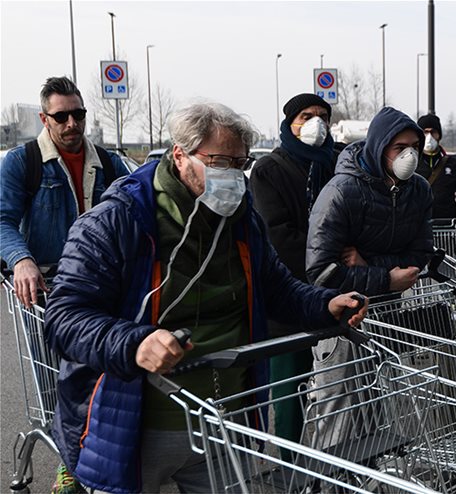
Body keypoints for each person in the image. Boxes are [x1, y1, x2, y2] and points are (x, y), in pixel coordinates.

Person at [43, 102, 368, 494]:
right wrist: (134, 342)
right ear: (180, 155)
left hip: (227, 419)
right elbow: (64, 319)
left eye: (239, 163)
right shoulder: (117, 220)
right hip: (137, 423)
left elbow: (277, 288)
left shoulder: (242, 220)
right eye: (218, 161)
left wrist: (324, 304)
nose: (231, 174)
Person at [248, 93, 337, 455]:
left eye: (322, 116)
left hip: (334, 289)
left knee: (343, 383)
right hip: (289, 291)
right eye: (305, 116)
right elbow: (277, 234)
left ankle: (340, 456)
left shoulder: (334, 163)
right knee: (290, 384)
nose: (315, 123)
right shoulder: (271, 168)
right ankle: (289, 460)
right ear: (289, 123)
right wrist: (332, 258)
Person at [0, 76, 129, 308]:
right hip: (47, 289)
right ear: (44, 119)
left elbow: (135, 216)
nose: (71, 123)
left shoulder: (109, 164)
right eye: (60, 116)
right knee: (47, 345)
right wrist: (21, 260)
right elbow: (3, 220)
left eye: (78, 114)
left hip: (102, 282)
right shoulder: (22, 162)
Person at [306, 107, 433, 296]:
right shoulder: (340, 192)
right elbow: (321, 272)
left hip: (389, 306)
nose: (410, 155)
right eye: (400, 148)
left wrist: (369, 265)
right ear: (379, 148)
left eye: (415, 147)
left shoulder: (419, 189)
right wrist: (387, 279)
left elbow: (421, 253)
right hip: (347, 309)